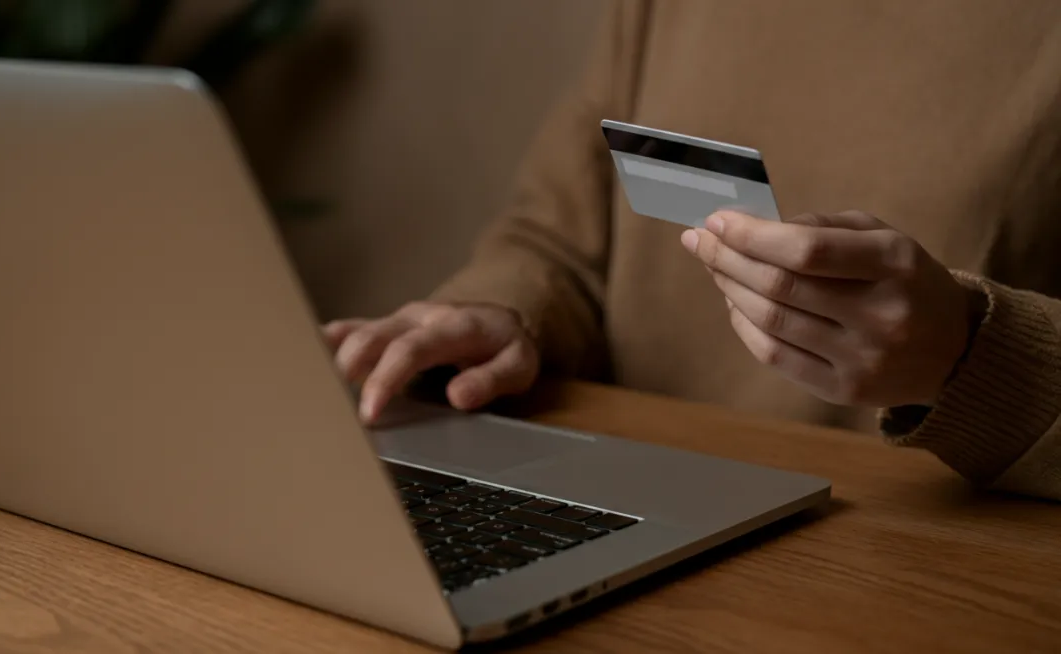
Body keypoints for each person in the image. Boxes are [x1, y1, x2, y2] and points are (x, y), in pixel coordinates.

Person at [323, 1, 1061, 501]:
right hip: (625, 505)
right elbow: (559, 238)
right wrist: (506, 309)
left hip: (912, 561)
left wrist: (974, 358)